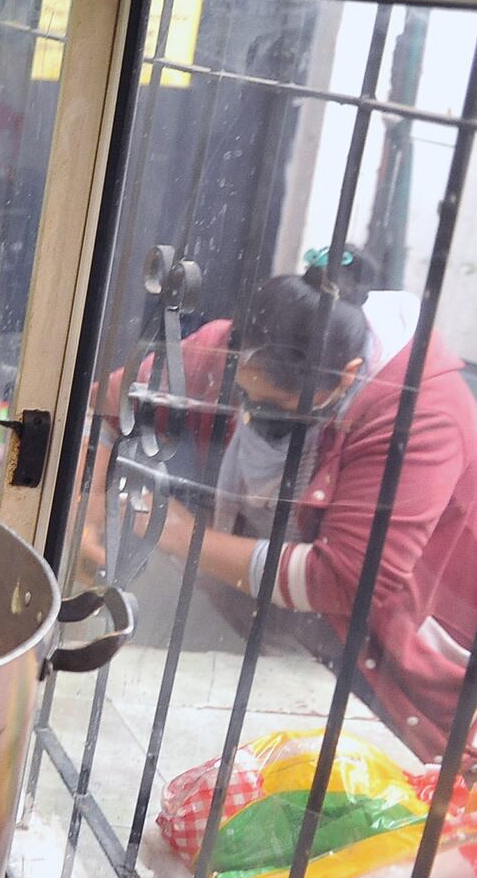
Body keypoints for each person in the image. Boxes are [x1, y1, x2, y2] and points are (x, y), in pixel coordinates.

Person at [87, 247, 477, 760]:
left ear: (346, 377)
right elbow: (108, 404)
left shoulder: (419, 416)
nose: (250, 415)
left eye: (275, 407)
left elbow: (343, 579)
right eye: (243, 396)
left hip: (392, 669)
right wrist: (89, 509)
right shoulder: (234, 349)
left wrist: (182, 536)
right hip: (276, 621)